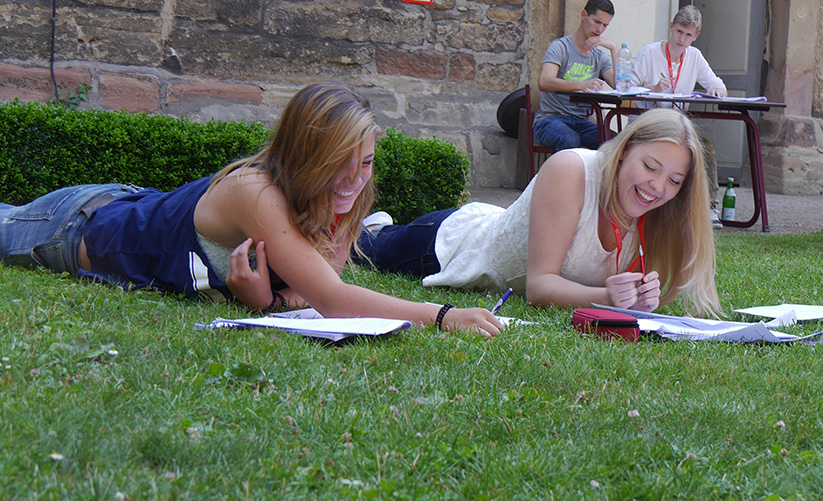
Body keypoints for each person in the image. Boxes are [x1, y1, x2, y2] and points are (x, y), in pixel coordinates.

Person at [0, 82, 503, 336]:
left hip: (127, 206)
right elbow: (330, 297)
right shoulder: (257, 193)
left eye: (366, 162)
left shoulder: (333, 199)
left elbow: (310, 287)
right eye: (338, 165)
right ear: (306, 156)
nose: (354, 181)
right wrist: (444, 317)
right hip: (74, 227)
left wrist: (265, 303)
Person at [356, 109, 721, 316]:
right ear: (625, 150)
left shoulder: (659, 212)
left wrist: (636, 298)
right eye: (651, 166)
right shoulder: (573, 170)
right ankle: (377, 228)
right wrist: (608, 299)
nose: (658, 187)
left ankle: (382, 225)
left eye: (674, 180)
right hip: (447, 245)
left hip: (490, 226)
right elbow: (539, 286)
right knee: (362, 249)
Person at [533, 0, 618, 151]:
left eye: (605, 25)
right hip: (550, 119)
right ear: (584, 15)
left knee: (614, 142)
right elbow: (544, 82)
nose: (599, 29)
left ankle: (596, 177)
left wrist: (613, 48)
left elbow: (619, 85)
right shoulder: (561, 47)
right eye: (597, 22)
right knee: (570, 139)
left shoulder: (599, 56)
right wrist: (581, 84)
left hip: (581, 122)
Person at [632, 5, 728, 103]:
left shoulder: (695, 56)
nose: (682, 39)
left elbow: (718, 86)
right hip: (648, 116)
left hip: (678, 117)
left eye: (688, 35)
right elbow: (627, 89)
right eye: (679, 31)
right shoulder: (649, 53)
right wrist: (653, 90)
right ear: (671, 27)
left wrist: (718, 92)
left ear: (695, 36)